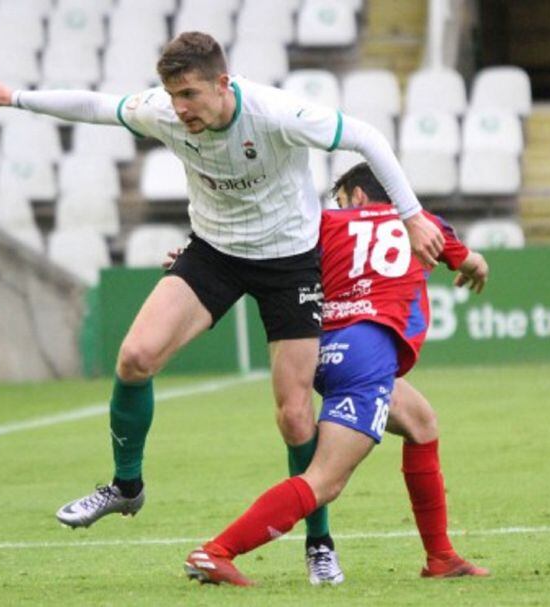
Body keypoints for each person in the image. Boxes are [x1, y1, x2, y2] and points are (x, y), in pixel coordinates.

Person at [0, 31, 445, 585]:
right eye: (172, 95)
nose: (179, 108)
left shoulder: (278, 113)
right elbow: (95, 107)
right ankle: (126, 486)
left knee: (294, 415)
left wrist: (412, 215)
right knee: (135, 357)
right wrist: (12, 96)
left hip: (289, 264)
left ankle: (319, 542)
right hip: (215, 253)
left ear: (222, 84)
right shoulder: (162, 111)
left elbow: (366, 137)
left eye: (189, 94)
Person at [183, 163, 490, 586]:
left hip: (321, 348)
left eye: (342, 198)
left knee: (421, 422)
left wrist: (195, 264)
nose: (339, 207)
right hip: (368, 354)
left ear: (358, 196)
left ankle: (440, 556)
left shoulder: (321, 225)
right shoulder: (424, 224)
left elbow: (263, 257)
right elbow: (473, 262)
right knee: (324, 481)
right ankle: (217, 550)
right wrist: (473, 269)